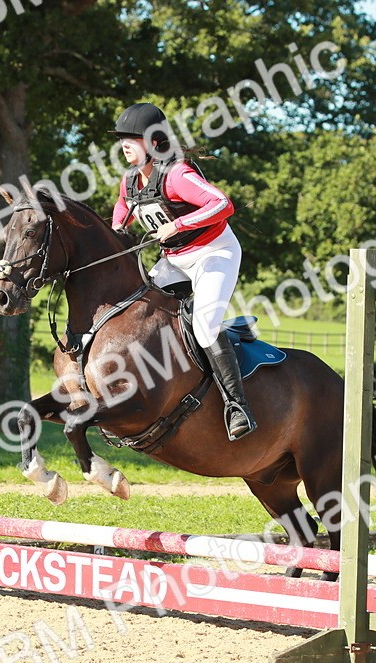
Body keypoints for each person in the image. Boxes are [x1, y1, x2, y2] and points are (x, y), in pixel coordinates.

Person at [109, 102, 257, 441]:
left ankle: (237, 406)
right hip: (175, 260)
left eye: (131, 138)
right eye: (122, 140)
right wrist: (118, 229)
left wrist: (178, 224)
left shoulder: (177, 174)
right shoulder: (130, 180)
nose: (124, 145)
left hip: (213, 254)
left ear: (154, 140)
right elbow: (123, 206)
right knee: (138, 312)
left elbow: (222, 204)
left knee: (204, 327)